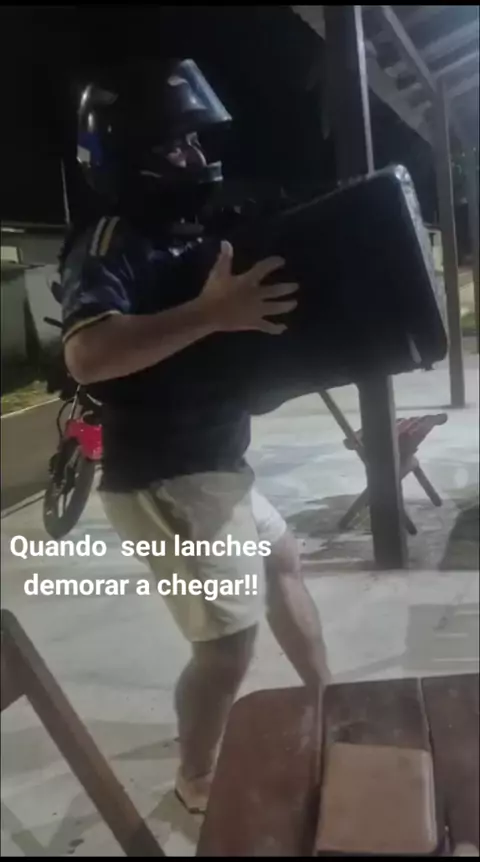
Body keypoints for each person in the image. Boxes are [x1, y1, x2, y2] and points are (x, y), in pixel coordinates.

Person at [61, 57, 330, 813]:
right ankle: (197, 776)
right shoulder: (110, 242)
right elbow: (88, 353)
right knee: (225, 646)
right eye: (176, 144)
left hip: (215, 460)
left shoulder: (189, 233)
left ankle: (327, 701)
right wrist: (211, 315)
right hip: (167, 476)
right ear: (131, 158)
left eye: (194, 141)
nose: (195, 156)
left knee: (283, 563)